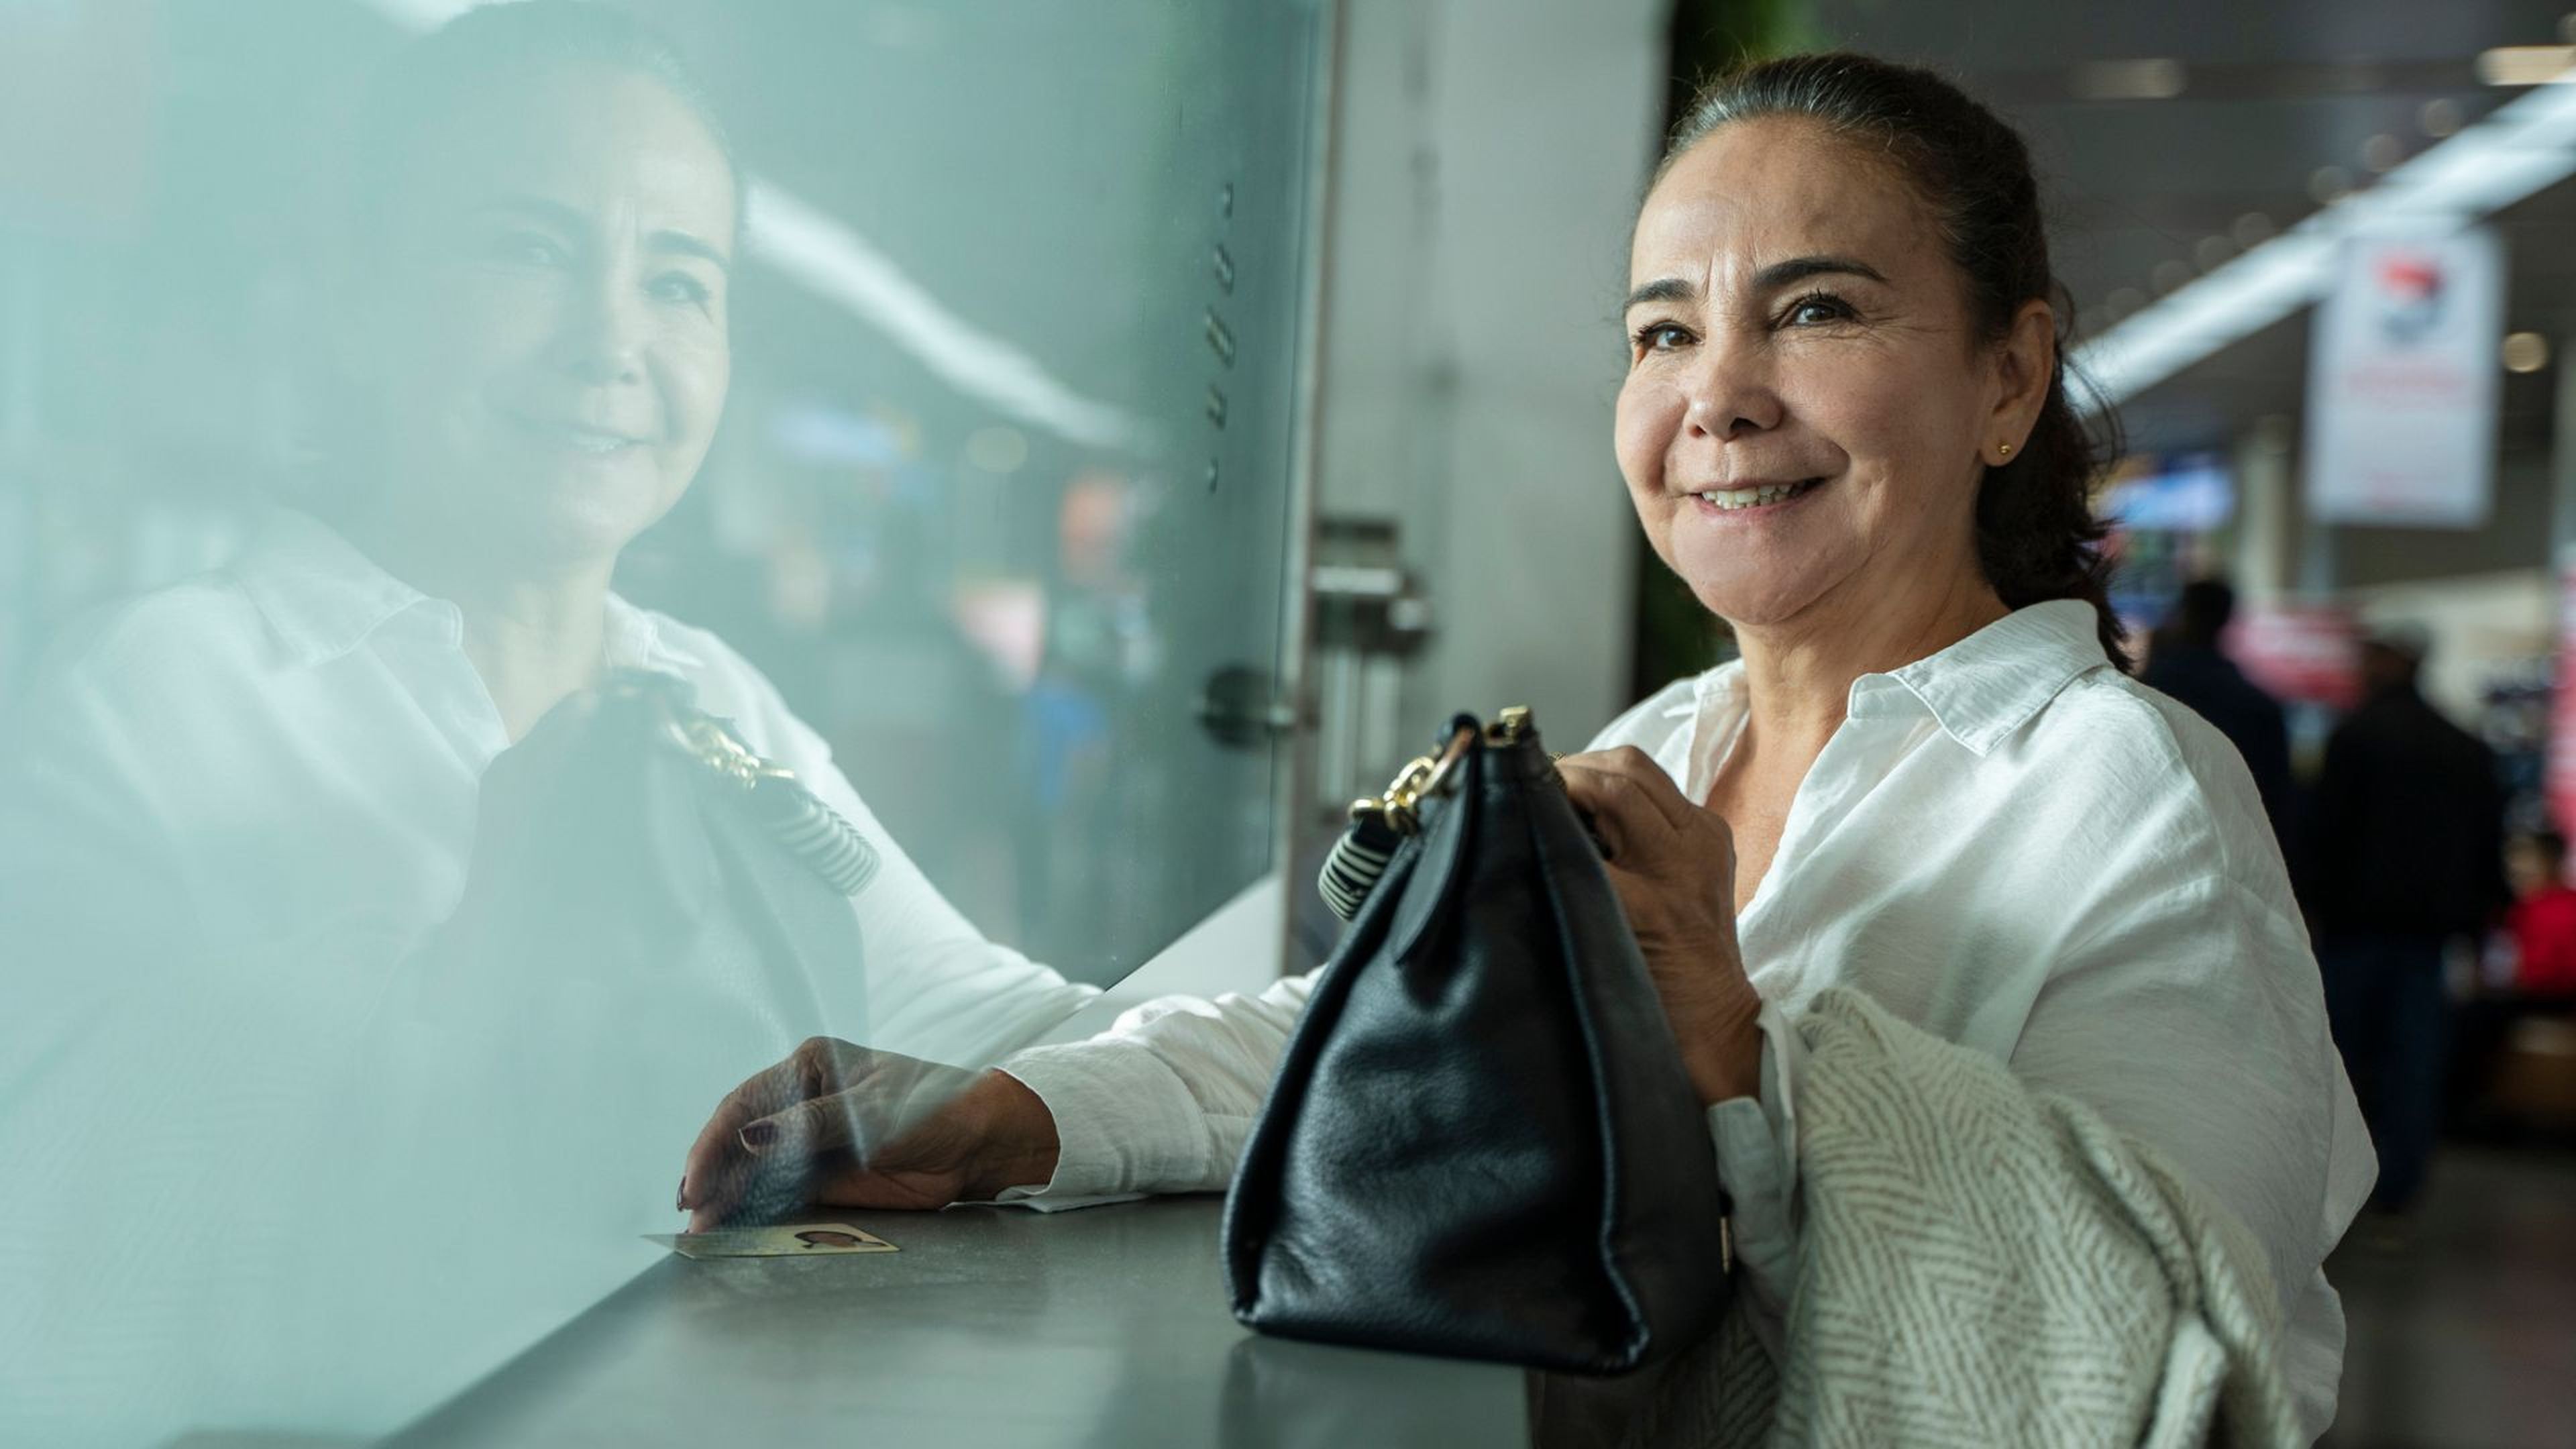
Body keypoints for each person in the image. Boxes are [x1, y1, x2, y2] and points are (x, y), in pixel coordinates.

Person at [682, 52, 2371, 1440]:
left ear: (2009, 377)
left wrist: (1733, 1038)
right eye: (1660, 332)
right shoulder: (1665, 740)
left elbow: (2172, 1351)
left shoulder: (2123, 791)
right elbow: (1362, 1046)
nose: (1715, 395)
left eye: (1816, 310)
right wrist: (1005, 1117)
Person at [0, 5, 1089, 1439]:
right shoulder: (144, 705)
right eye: (527, 249)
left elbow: (1025, 1039)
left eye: (679, 281)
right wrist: (466, 982)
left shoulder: (715, 705)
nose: (611, 343)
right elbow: (67, 1318)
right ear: (352, 298)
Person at [2308, 628, 2507, 1216]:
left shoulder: (2355, 737)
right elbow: (2486, 850)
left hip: (2353, 931)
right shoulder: (2464, 746)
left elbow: (2324, 833)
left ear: (2389, 662)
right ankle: (2398, 1193)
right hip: (2429, 938)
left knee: (2336, 1063)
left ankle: (2327, 1189)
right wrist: (2476, 927)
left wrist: (2311, 906)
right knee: (2412, 1066)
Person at [2141, 576, 2293, 848]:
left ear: (2181, 614)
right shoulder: (2257, 706)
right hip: (2235, 847)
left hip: (2157, 843)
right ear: (2226, 621)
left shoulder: (2147, 694)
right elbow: (2276, 804)